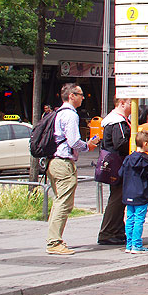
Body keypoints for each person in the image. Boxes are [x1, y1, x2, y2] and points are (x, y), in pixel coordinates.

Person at [46, 83, 98, 255]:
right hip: (63, 163)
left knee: (60, 201)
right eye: (80, 94)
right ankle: (54, 242)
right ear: (71, 96)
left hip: (54, 162)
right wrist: (88, 145)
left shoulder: (58, 113)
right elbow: (73, 141)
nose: (83, 97)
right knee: (63, 203)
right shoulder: (70, 115)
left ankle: (54, 239)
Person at [96, 98, 133, 246]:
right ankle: (108, 231)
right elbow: (121, 143)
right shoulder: (117, 122)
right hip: (118, 165)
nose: (133, 106)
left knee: (118, 198)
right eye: (131, 103)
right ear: (122, 103)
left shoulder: (115, 120)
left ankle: (116, 230)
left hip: (116, 165)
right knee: (117, 198)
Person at [118, 129, 148, 254]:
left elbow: (120, 174)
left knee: (129, 218)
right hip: (141, 194)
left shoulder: (128, 159)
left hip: (128, 194)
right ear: (145, 144)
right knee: (139, 220)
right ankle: (137, 245)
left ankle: (129, 244)